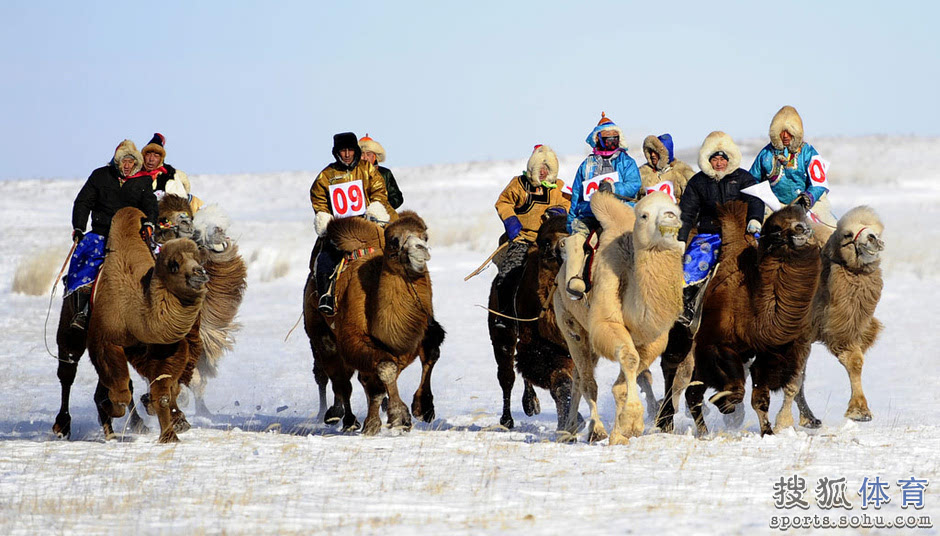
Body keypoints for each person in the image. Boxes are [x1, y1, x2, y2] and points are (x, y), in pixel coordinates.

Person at [67, 139, 159, 330]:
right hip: (101, 233)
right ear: (117, 161)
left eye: (131, 162)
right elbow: (83, 202)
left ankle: (152, 314)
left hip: (129, 236)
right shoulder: (100, 176)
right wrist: (79, 227)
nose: (127, 166)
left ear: (136, 164)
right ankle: (82, 312)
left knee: (152, 268)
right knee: (86, 265)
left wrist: (149, 223)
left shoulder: (142, 181)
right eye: (124, 161)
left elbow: (150, 205)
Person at [677, 131, 764, 326]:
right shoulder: (698, 182)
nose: (719, 163)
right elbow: (686, 212)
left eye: (722, 159)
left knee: (761, 261)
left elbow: (756, 199)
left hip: (742, 231)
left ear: (729, 159)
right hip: (710, 233)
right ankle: (687, 306)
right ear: (708, 160)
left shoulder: (743, 178)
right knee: (692, 263)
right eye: (714, 159)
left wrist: (755, 219)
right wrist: (681, 239)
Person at [310, 132, 398, 315]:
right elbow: (319, 199)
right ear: (337, 152)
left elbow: (379, 191)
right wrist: (325, 217)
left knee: (394, 252)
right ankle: (326, 295)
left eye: (350, 150)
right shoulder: (326, 175)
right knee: (325, 258)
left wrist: (375, 207)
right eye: (343, 151)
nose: (348, 154)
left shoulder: (368, 169)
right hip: (341, 230)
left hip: (368, 226)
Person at [564, 112, 642, 299]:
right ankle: (574, 280)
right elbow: (576, 193)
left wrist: (614, 187)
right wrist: (572, 221)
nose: (611, 143)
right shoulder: (587, 165)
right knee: (576, 240)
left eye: (614, 139)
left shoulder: (626, 161)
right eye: (607, 140)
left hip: (619, 212)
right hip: (590, 213)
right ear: (598, 139)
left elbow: (634, 184)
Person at [492, 144, 569, 324]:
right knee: (510, 271)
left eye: (547, 168)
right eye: (539, 168)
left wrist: (559, 212)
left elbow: (568, 205)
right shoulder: (518, 184)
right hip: (523, 238)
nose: (542, 172)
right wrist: (511, 222)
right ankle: (506, 314)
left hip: (550, 240)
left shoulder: (558, 187)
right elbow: (503, 203)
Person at [749, 105, 836, 226]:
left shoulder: (808, 152)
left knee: (826, 230)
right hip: (774, 207)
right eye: (781, 131)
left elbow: (819, 183)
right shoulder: (766, 154)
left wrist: (808, 197)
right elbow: (752, 180)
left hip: (806, 205)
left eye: (789, 131)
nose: (785, 135)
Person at [133, 133, 203, 212]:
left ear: (161, 159)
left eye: (156, 156)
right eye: (148, 154)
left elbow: (180, 201)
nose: (151, 159)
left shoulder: (170, 176)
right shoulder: (134, 176)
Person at [638, 133, 694, 204]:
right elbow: (633, 200)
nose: (652, 155)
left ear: (665, 154)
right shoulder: (642, 174)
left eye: (656, 152)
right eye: (651, 151)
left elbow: (691, 202)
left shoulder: (682, 173)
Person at [359, 134, 404, 209]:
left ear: (374, 156)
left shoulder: (385, 173)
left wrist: (383, 207)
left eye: (368, 154)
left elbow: (397, 197)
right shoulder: (351, 173)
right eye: (362, 154)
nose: (365, 158)